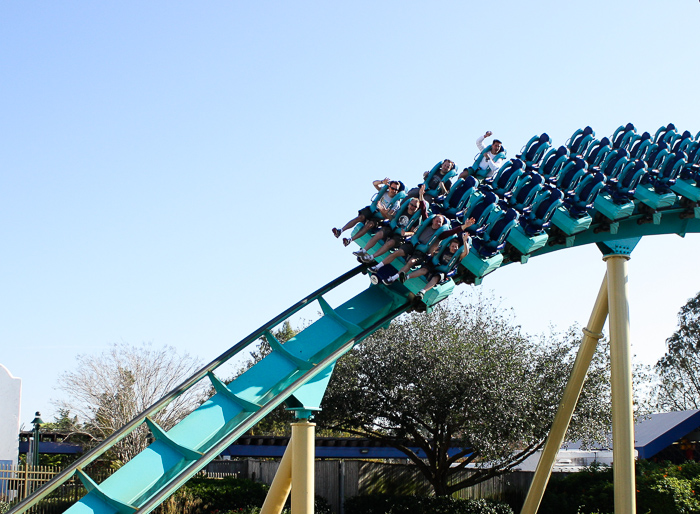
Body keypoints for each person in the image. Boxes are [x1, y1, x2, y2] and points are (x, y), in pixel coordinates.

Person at [376, 217, 475, 286]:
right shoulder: (426, 224)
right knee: (397, 252)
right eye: (437, 220)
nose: (437, 223)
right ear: (433, 220)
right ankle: (377, 266)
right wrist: (421, 196)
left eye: (440, 222)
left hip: (421, 253)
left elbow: (452, 231)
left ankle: (393, 278)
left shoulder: (440, 234)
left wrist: (465, 226)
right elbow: (423, 210)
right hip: (413, 245)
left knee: (411, 262)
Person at [353, 186, 430, 264]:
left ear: (417, 208)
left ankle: (372, 256)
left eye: (415, 206)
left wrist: (406, 233)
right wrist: (384, 212)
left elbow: (413, 232)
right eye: (411, 205)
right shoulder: (402, 209)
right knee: (379, 234)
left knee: (390, 243)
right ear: (408, 204)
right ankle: (363, 250)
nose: (412, 207)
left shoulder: (417, 218)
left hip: (400, 235)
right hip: (392, 227)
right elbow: (391, 218)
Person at [332, 178, 405, 246]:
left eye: (396, 190)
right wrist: (382, 182)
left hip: (379, 217)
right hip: (372, 210)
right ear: (389, 187)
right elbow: (374, 183)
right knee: (360, 218)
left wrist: (384, 211)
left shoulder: (396, 203)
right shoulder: (384, 192)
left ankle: (350, 240)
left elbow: (391, 216)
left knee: (369, 225)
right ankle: (340, 231)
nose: (394, 191)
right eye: (392, 188)